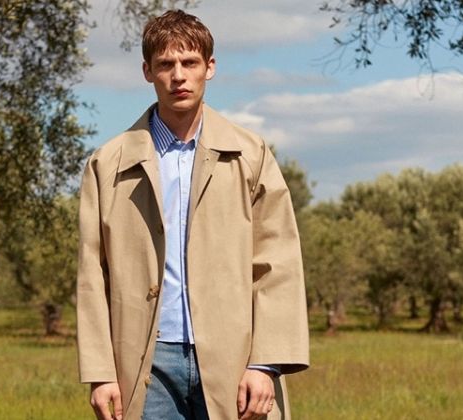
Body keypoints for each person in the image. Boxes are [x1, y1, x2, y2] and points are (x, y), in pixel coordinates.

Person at [76, 9, 309, 420]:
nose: (178, 76)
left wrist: (264, 364)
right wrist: (100, 372)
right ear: (147, 71)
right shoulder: (107, 163)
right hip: (144, 366)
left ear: (210, 68)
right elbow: (92, 273)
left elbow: (278, 264)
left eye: (190, 63)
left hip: (234, 360)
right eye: (166, 64)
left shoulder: (250, 155)